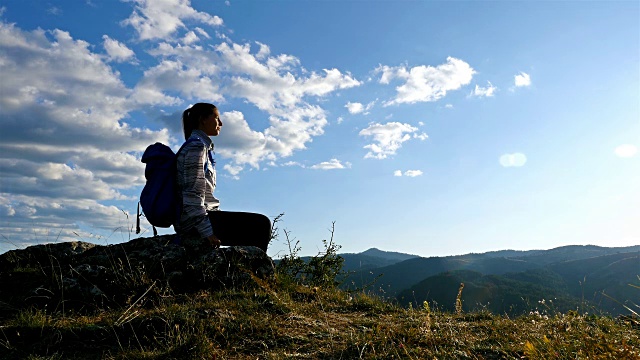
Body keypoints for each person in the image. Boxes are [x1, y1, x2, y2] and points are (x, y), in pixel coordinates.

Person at [175, 103, 272, 252]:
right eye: (217, 118)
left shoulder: (201, 146)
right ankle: (257, 271)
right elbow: (192, 193)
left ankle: (245, 270)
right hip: (195, 222)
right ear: (203, 120)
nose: (221, 123)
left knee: (256, 227)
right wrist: (207, 231)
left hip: (202, 218)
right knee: (261, 225)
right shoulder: (196, 147)